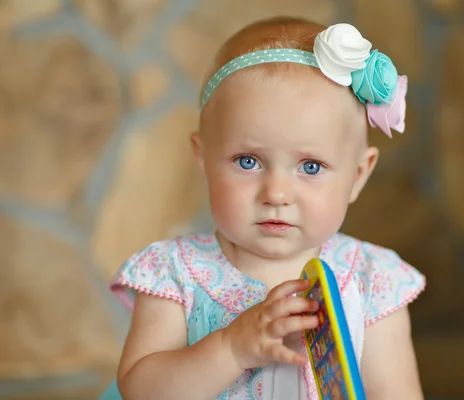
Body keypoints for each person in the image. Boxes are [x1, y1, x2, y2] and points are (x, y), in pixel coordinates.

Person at [100, 16, 426, 400]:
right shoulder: (174, 274)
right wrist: (230, 349)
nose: (276, 194)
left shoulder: (373, 281)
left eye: (310, 167)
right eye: (248, 161)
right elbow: (141, 391)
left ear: (358, 175)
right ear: (203, 158)